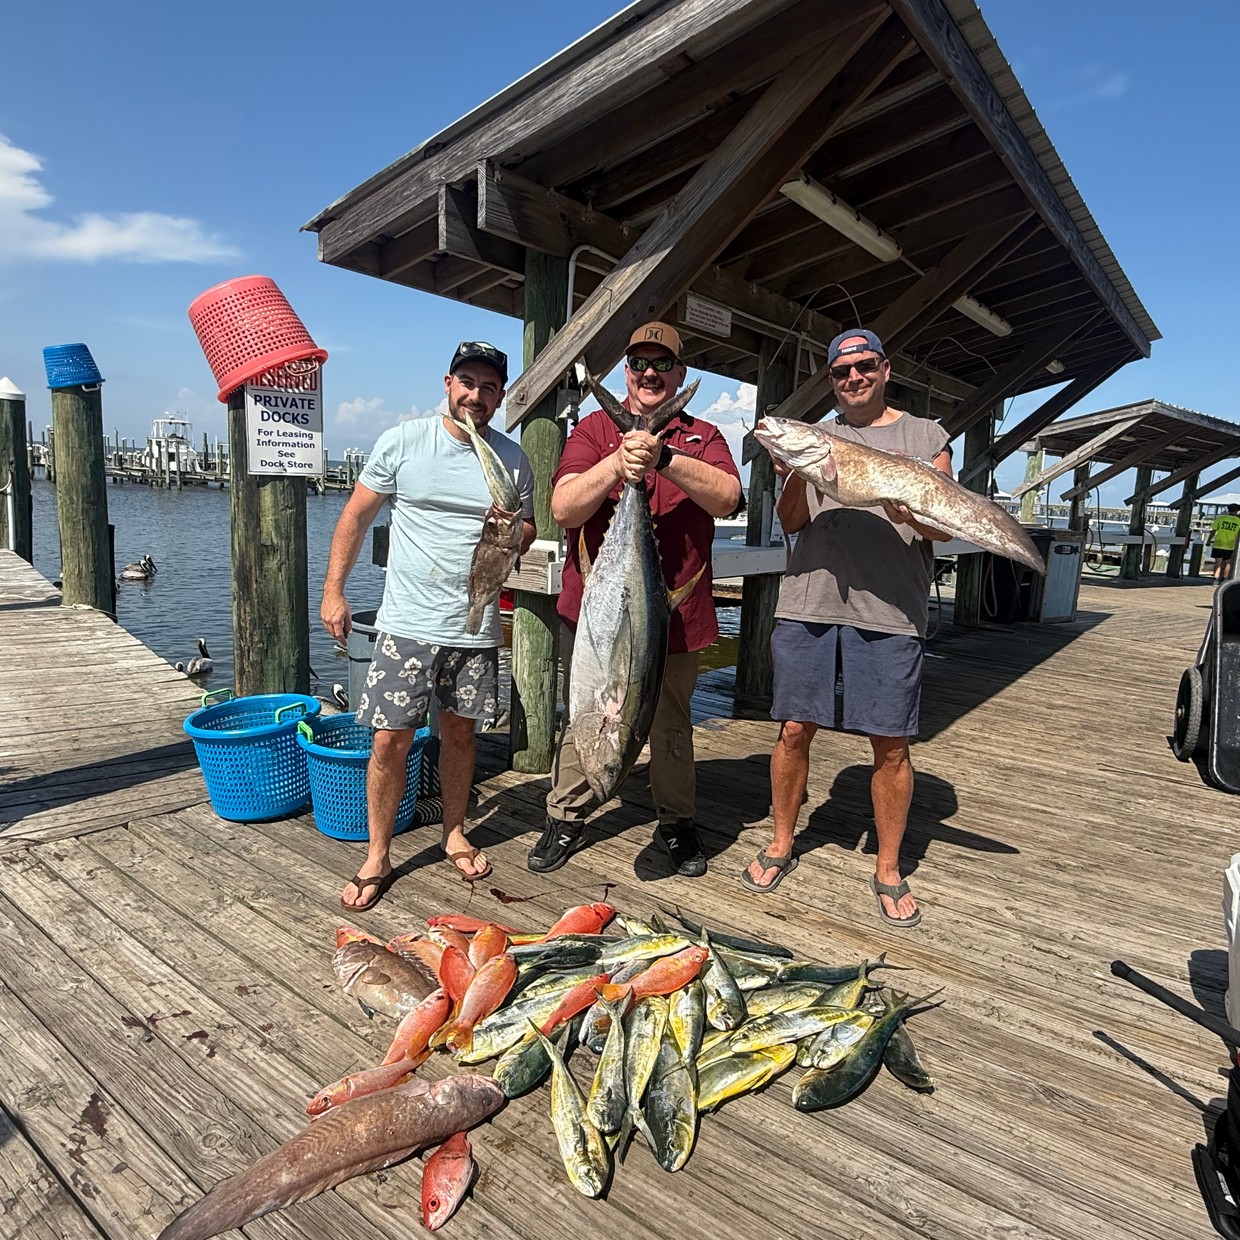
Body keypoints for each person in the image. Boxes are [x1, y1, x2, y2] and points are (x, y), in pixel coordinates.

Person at [745, 328, 952, 928]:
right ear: (831, 381)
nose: (853, 378)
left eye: (864, 366)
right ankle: (783, 840)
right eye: (841, 372)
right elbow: (791, 522)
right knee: (791, 731)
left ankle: (888, 867)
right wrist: (797, 474)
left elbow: (941, 527)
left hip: (891, 611)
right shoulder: (819, 438)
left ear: (886, 369)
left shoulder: (925, 436)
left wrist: (904, 505)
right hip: (809, 603)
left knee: (890, 743)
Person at [321, 341, 535, 910]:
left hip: (476, 626)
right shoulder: (404, 441)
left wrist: (514, 530)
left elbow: (528, 533)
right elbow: (356, 516)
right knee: (390, 739)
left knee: (461, 735)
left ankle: (454, 831)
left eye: (489, 388)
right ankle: (378, 853)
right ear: (447, 382)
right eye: (468, 382)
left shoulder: (513, 460)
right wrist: (334, 591)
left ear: (500, 397)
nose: (476, 395)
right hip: (408, 623)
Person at [527, 322, 742, 877]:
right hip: (600, 614)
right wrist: (618, 463)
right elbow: (564, 507)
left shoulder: (703, 436)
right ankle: (566, 814)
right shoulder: (595, 430)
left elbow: (728, 498)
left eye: (662, 365)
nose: (650, 374)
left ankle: (676, 821)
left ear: (680, 373)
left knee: (670, 722)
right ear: (626, 371)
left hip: (677, 616)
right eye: (640, 364)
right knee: (585, 712)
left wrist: (664, 458)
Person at [1208, 504, 1240, 582]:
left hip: (1219, 543)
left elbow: (1213, 531)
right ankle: (1224, 578)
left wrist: (1209, 540)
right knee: (1227, 562)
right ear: (1237, 511)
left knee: (1218, 562)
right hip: (1230, 544)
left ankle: (1215, 578)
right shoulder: (1238, 521)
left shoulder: (1220, 518)